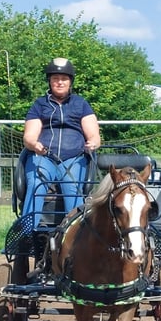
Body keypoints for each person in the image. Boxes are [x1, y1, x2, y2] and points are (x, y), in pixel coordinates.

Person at [22, 57, 101, 227]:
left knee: (73, 190)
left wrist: (92, 143)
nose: (59, 82)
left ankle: (74, 235)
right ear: (49, 81)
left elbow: (94, 135)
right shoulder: (39, 105)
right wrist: (34, 144)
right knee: (36, 185)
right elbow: (29, 136)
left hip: (74, 158)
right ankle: (26, 233)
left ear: (70, 82)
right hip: (44, 157)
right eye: (55, 79)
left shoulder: (81, 104)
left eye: (63, 79)